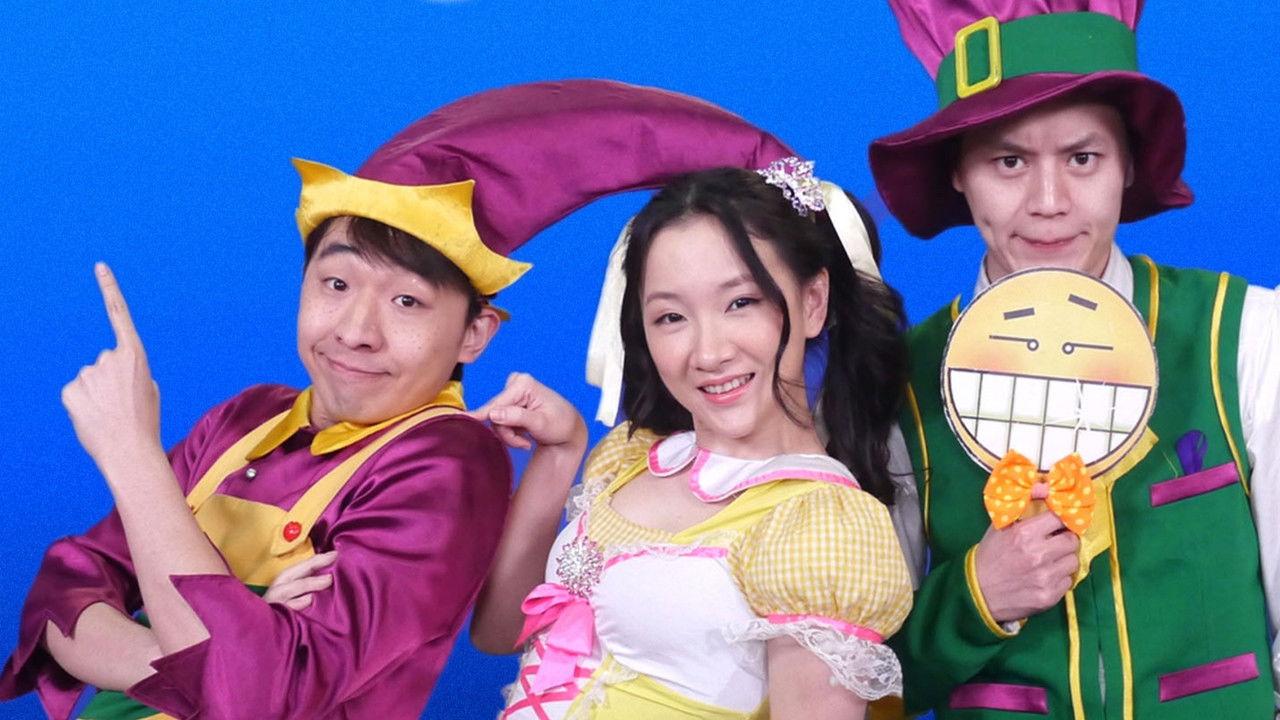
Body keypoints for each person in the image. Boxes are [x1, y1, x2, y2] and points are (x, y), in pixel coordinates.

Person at [0, 78, 819, 720]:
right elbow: (65, 591)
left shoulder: (446, 461)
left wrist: (133, 457)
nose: (356, 331)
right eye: (336, 284)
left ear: (475, 335)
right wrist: (193, 657)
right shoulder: (245, 419)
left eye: (407, 302)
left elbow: (260, 694)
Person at [867, 1, 1280, 717]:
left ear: (1128, 164)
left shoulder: (1244, 333)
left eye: (1082, 158)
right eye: (1009, 161)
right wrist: (976, 598)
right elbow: (870, 682)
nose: (1049, 202)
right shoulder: (896, 386)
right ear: (959, 172)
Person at [471, 159, 915, 719]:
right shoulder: (629, 458)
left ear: (812, 303)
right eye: (671, 317)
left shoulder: (821, 524)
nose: (708, 353)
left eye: (741, 303)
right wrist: (560, 455)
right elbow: (499, 631)